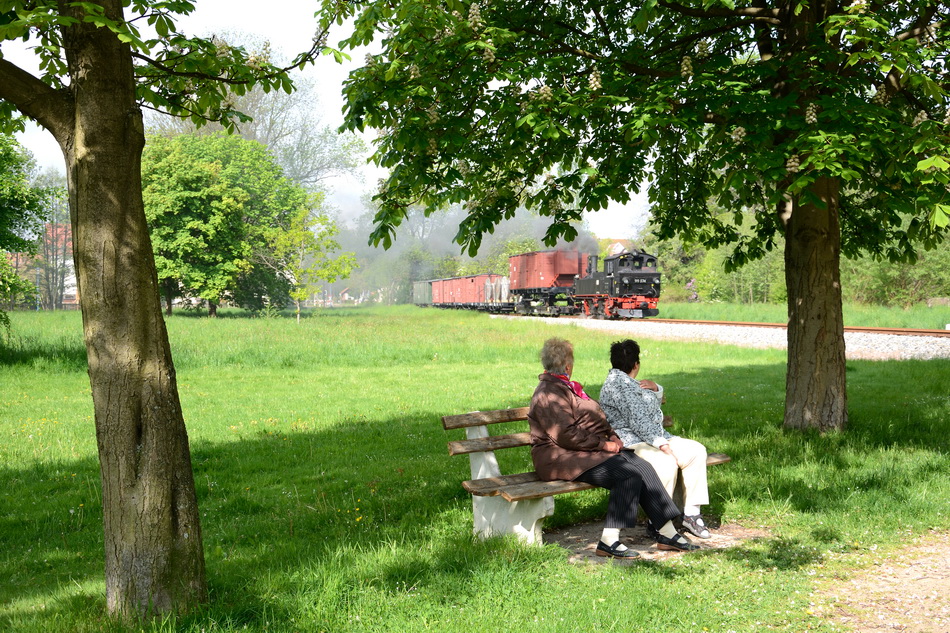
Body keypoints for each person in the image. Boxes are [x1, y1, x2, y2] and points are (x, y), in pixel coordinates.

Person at [528, 337, 699, 559]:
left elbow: (592, 419)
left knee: (642, 466)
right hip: (558, 457)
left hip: (581, 451)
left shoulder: (566, 387)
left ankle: (666, 532)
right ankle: (609, 540)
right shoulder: (549, 393)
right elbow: (565, 435)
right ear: (567, 366)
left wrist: (612, 436)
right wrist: (604, 444)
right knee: (627, 475)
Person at [598, 339, 712, 539]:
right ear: (636, 365)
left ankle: (691, 514)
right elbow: (638, 422)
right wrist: (663, 445)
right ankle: (659, 522)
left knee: (696, 451)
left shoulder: (629, 383)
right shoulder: (618, 385)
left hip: (653, 437)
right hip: (633, 442)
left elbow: (648, 407)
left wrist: (656, 388)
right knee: (665, 462)